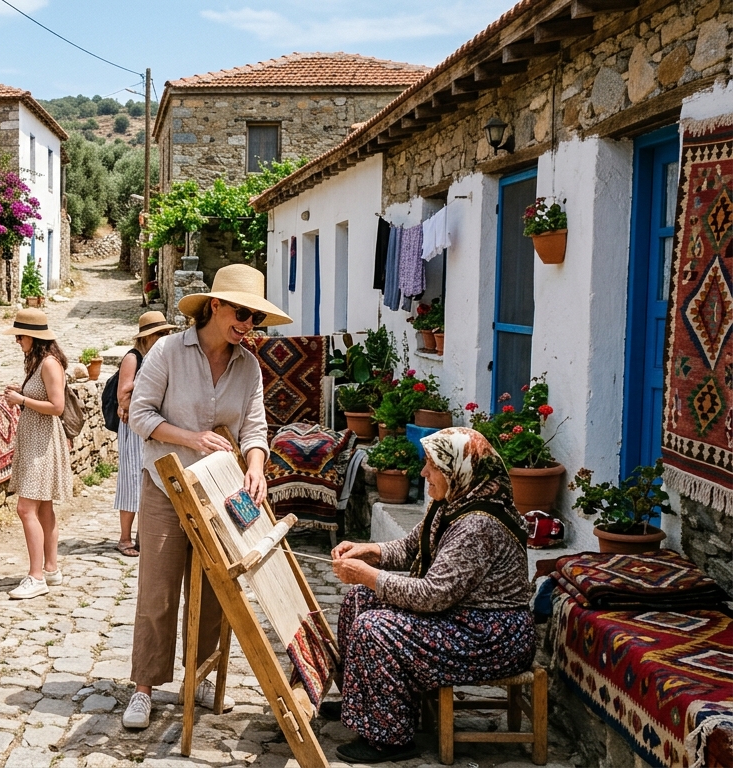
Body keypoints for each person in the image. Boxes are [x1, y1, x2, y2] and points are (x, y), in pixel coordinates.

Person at [123, 263, 291, 729]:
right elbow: (139, 414)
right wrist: (192, 437)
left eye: (254, 317)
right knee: (158, 588)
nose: (247, 325)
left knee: (220, 588)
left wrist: (256, 466)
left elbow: (255, 428)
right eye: (241, 312)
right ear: (214, 306)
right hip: (168, 486)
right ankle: (143, 688)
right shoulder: (169, 352)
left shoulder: (250, 366)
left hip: (223, 491)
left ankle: (201, 679)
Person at [325, 426, 534, 764]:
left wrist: (370, 575)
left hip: (490, 635)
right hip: (461, 617)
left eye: (432, 466)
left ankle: (389, 737)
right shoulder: (452, 504)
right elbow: (410, 549)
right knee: (358, 600)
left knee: (375, 628)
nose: (423, 473)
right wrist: (369, 552)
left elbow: (432, 595)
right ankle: (362, 700)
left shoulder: (478, 524)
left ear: (457, 470)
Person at [2, 307, 72, 600]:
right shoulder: (38, 362)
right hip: (36, 439)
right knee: (43, 507)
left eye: (20, 336)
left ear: (32, 336)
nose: (17, 341)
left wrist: (22, 399)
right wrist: (24, 393)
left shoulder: (49, 364)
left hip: (42, 442)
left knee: (25, 508)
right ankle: (51, 568)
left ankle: (36, 576)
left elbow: (57, 407)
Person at [113, 311, 177, 558]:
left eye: (166, 333)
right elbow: (123, 396)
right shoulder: (134, 358)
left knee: (150, 478)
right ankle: (124, 537)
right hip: (134, 427)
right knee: (131, 479)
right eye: (159, 333)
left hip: (153, 425)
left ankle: (144, 534)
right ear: (147, 337)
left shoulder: (162, 357)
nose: (165, 337)